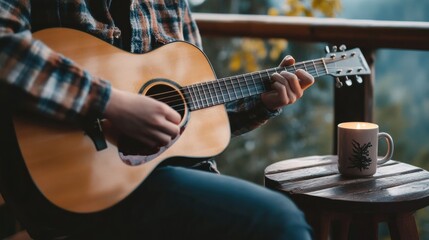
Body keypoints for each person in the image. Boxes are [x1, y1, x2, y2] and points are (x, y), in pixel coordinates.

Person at [0, 0, 315, 239]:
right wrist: (111, 104)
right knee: (280, 221)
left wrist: (262, 103)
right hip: (79, 185)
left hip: (165, 175)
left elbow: (194, 119)